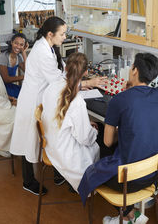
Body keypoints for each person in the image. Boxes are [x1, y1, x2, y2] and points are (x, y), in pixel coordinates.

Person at [10, 17, 106, 195]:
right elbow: (59, 81)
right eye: (62, 34)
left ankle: (58, 174)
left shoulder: (48, 46)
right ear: (50, 34)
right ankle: (28, 181)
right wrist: (86, 83)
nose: (64, 37)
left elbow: (62, 73)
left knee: (47, 136)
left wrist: (80, 80)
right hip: (33, 100)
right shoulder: (41, 52)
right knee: (28, 141)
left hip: (44, 97)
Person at [78, 53, 158, 224]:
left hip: (128, 180)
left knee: (91, 170)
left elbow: (108, 141)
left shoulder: (119, 100)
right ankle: (131, 214)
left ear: (134, 70)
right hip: (153, 176)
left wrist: (122, 128)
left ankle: (126, 216)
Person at [41, 53, 100, 192]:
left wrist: (84, 124)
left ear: (65, 68)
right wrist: (94, 130)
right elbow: (85, 138)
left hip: (51, 145)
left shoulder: (52, 86)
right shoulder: (76, 101)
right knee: (99, 143)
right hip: (67, 155)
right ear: (86, 72)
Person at [0, 33, 29, 98]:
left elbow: (28, 71)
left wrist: (24, 52)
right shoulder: (3, 57)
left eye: (21, 45)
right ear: (11, 42)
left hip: (10, 86)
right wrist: (24, 77)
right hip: (0, 89)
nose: (18, 47)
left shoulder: (19, 57)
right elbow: (6, 79)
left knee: (28, 93)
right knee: (25, 96)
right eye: (16, 43)